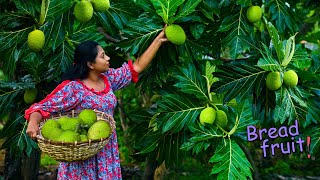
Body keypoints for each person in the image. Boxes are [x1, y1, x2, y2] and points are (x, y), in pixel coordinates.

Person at [25, 28, 167, 180]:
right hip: (82, 156)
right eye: (103, 56)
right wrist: (33, 123)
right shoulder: (74, 89)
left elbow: (136, 67)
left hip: (106, 153)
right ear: (90, 64)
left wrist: (158, 40)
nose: (108, 58)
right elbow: (41, 108)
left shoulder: (108, 78)